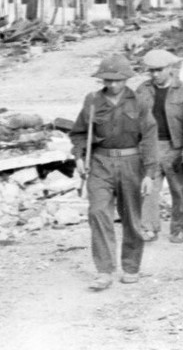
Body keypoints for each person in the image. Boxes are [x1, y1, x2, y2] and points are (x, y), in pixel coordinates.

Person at [70, 54, 158, 291]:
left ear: (127, 79)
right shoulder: (92, 101)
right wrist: (79, 156)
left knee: (131, 217)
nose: (112, 84)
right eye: (107, 80)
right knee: (97, 212)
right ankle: (104, 270)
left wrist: (149, 173)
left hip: (132, 163)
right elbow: (79, 133)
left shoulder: (139, 102)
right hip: (100, 162)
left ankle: (131, 266)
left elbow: (149, 138)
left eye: (117, 80)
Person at [136, 49, 183, 244]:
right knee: (148, 189)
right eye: (151, 71)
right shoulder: (142, 90)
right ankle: (149, 227)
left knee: (180, 190)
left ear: (170, 68)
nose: (155, 74)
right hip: (150, 147)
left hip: (176, 148)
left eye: (159, 70)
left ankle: (179, 229)